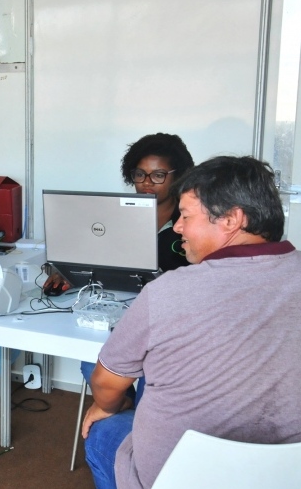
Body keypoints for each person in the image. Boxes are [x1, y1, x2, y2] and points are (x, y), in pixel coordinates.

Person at [81, 156, 301, 488]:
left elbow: (106, 383)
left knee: (103, 428)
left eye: (186, 216)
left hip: (180, 478)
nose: (177, 227)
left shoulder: (167, 292)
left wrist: (108, 407)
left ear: (231, 219)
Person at [45, 132, 194, 402]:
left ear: (179, 176)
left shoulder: (190, 220)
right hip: (118, 311)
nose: (147, 182)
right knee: (93, 361)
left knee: (154, 378)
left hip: (170, 321)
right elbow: (90, 254)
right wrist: (66, 271)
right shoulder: (113, 215)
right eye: (140, 174)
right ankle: (121, 409)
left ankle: (138, 415)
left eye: (158, 175)